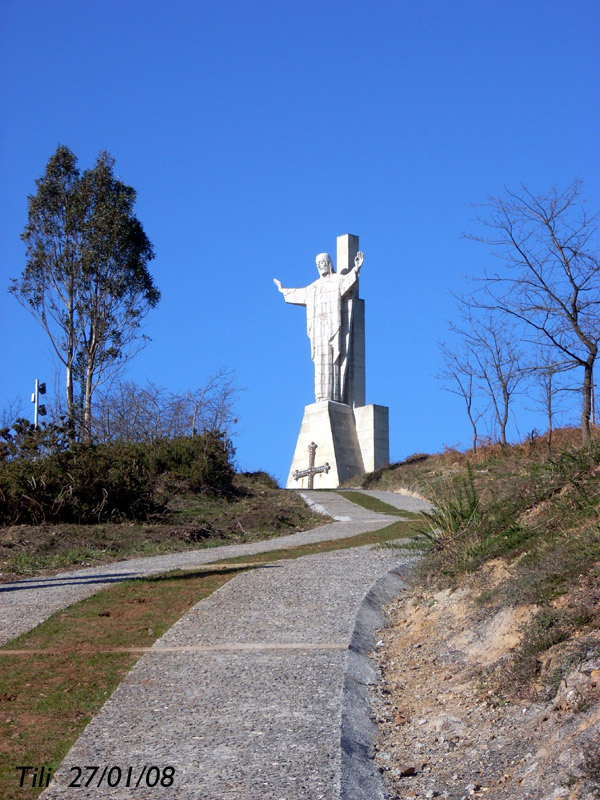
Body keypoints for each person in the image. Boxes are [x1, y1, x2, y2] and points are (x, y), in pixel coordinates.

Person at [274, 250, 363, 403]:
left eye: (322, 262)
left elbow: (348, 282)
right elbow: (299, 293)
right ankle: (320, 397)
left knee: (333, 360)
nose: (320, 266)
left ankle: (333, 396)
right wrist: (283, 290)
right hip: (318, 332)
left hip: (334, 330)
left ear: (329, 264)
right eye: (317, 264)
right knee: (320, 363)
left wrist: (356, 268)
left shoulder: (337, 280)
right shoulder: (314, 287)